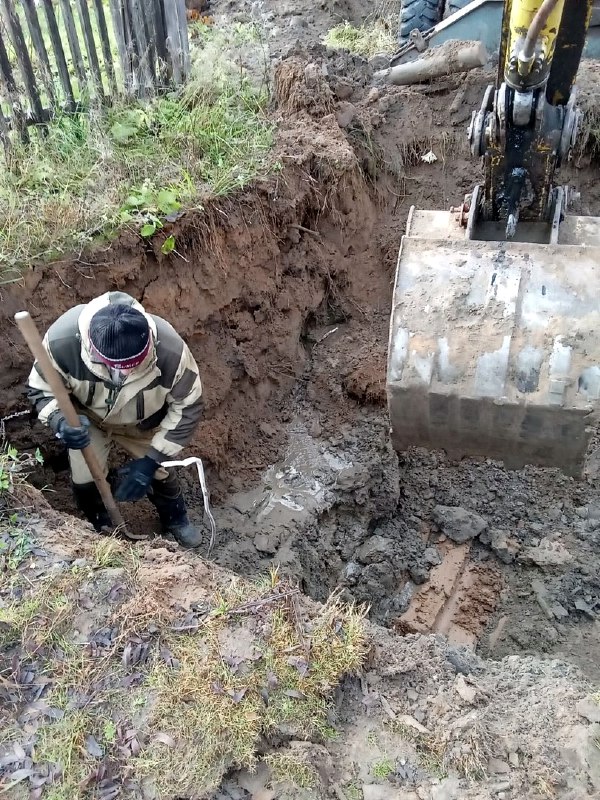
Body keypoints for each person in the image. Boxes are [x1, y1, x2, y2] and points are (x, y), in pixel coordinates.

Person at [27, 291, 204, 548]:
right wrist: (59, 423)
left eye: (135, 365)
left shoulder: (171, 351)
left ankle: (176, 519)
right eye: (117, 366)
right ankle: (102, 526)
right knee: (85, 479)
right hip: (88, 422)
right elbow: (41, 389)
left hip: (141, 422)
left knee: (160, 472)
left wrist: (151, 462)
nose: (126, 372)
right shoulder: (62, 341)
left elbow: (188, 407)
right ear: (94, 350)